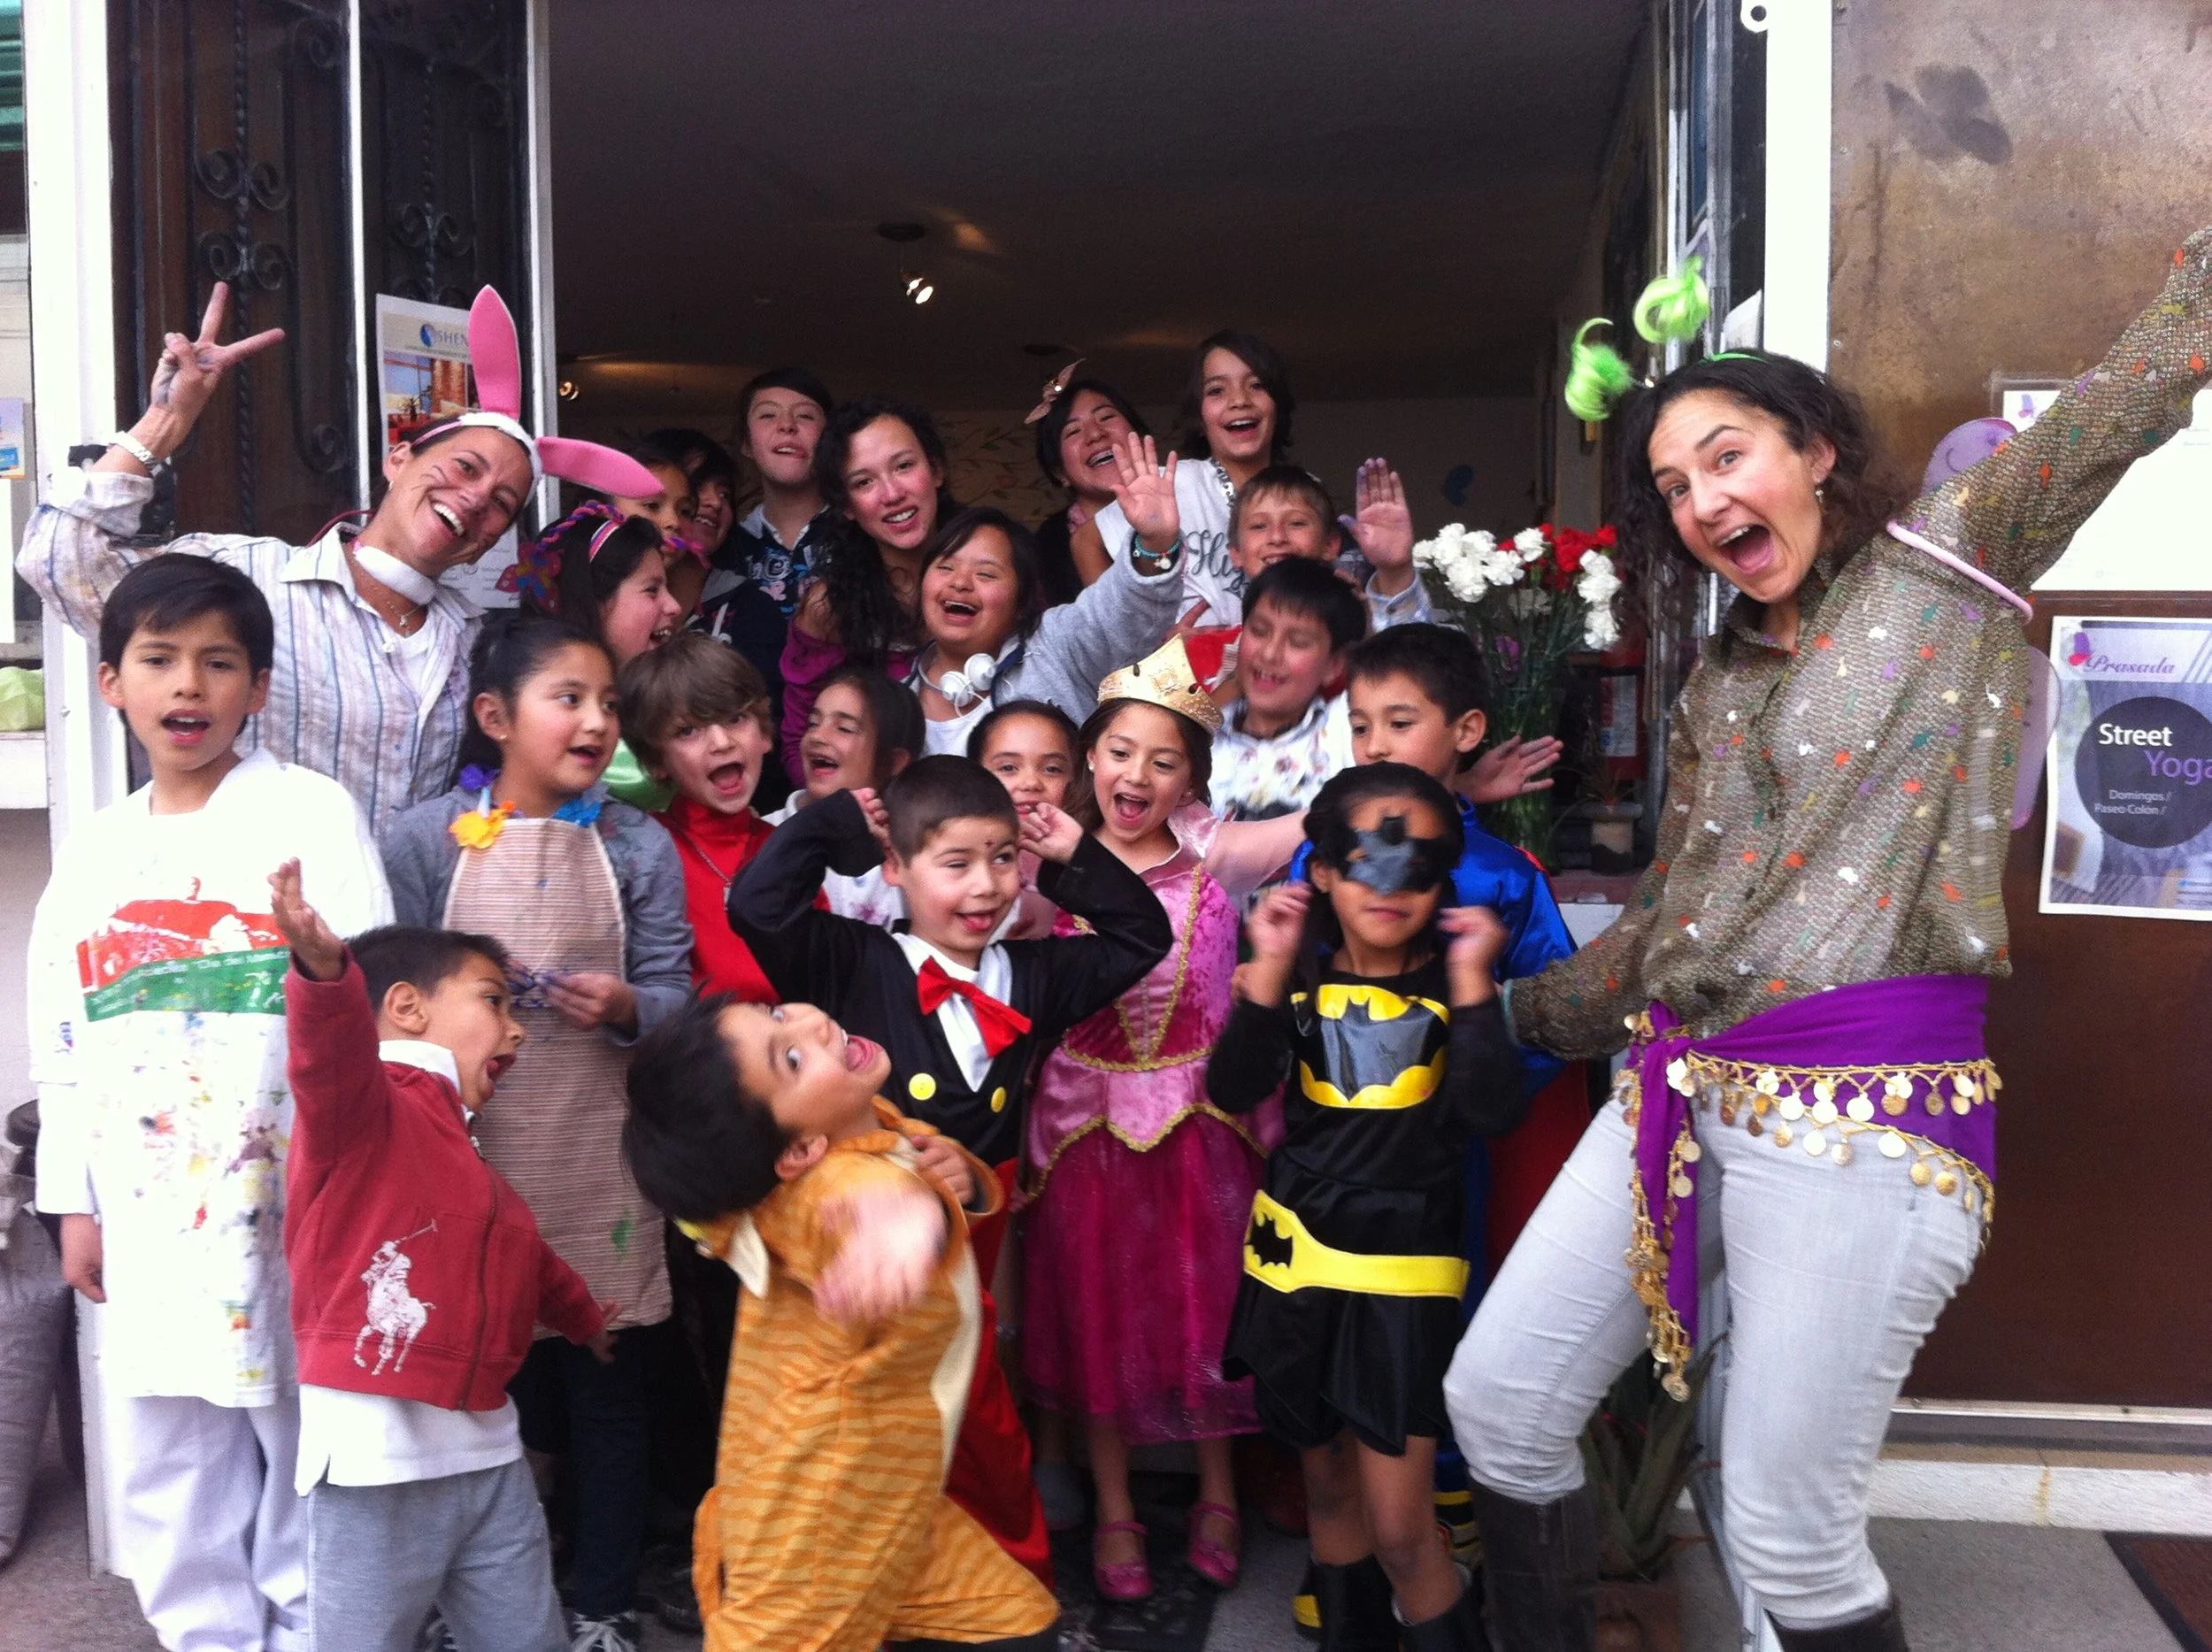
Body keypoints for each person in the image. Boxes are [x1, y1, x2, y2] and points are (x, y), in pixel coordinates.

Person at [1446, 228, 2212, 1652]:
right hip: (1680, 1087)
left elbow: (2124, 397)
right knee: (1498, 1400)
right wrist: (1510, 1017)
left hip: (1862, 1122)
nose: (1703, 501)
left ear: (1814, 452)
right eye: (1675, 486)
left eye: (1726, 457)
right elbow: (1669, 925)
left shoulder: (1950, 557)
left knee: (1789, 1533)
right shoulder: (1716, 686)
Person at [27, 555, 392, 1652]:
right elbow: (62, 1036)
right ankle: (207, 1635)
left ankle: (313, 1630)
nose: (188, 684)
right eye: (159, 659)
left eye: (218, 661)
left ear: (259, 686)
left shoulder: (309, 814)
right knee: (166, 1436)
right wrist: (72, 1200)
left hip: (290, 1186)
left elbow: (378, 1003)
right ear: (111, 684)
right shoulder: (97, 851)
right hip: (144, 1202)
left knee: (298, 1421)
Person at [727, 757, 1178, 1587]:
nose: (986, 884)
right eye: (956, 861)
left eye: (1004, 857)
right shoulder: (852, 960)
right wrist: (837, 825)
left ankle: (1001, 1581)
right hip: (863, 1253)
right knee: (871, 1417)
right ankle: (871, 1585)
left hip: (976, 1243)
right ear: (896, 867)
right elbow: (755, 905)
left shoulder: (1035, 974)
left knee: (975, 1406)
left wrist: (1074, 853)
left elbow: (1144, 937)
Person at [17, 283, 657, 835]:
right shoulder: (250, 578)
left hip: (408, 935)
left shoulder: (477, 645)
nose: (475, 500)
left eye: (502, 504)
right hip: (256, 926)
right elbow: (60, 560)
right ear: (399, 458)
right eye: (465, 467)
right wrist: (165, 420)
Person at [381, 617, 693, 1652]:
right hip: (467, 1162)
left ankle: (602, 1602)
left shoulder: (638, 845)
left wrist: (630, 1006)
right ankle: (473, 1603)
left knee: (607, 1388)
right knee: (476, 1396)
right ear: (494, 716)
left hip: (598, 1159)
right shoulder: (425, 840)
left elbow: (677, 992)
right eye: (570, 698)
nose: (598, 721)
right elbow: (389, 999)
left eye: (609, 704)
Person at [621, 995, 1061, 1652]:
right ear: (800, 1151)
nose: (812, 1024)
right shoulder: (817, 1192)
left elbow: (902, 1167)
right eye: (792, 1059)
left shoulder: (868, 1124)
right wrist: (893, 1214)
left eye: (777, 1015)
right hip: (816, 1527)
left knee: (1013, 1620)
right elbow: (850, 1201)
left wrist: (957, 1179)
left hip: (892, 1495)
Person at [1020, 637, 1311, 1601]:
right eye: (1118, 751)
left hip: (1202, 1128)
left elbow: (1323, 823)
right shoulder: (1046, 867)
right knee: (1096, 1313)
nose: (1135, 775)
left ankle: (1218, 1490)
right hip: (1085, 1130)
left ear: (1191, 776)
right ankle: (1115, 1504)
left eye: (1162, 759)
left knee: (1208, 1310)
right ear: (1089, 756)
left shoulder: (1212, 857)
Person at [1210, 765, 1524, 1652]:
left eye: (1416, 868)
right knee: (1328, 1491)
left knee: (1401, 1528)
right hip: (1296, 1260)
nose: (1390, 887)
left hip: (1402, 1278)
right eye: (1365, 863)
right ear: (1321, 871)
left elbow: (1495, 1109)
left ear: (1442, 880)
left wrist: (1473, 984)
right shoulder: (1296, 978)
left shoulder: (1452, 989)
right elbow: (1233, 1087)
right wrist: (1267, 974)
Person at [270, 874, 616, 1652]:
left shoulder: (468, 1159)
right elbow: (327, 1058)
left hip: (489, 1456)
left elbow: (524, 1252)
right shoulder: (365, 1107)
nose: (516, 1029)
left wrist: (585, 1319)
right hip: (374, 1464)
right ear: (406, 1007)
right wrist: (325, 974)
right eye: (494, 1000)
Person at [905, 463, 1183, 755]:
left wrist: (1156, 543)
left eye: (985, 574)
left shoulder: (1055, 646)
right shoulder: (895, 707)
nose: (960, 583)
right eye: (946, 567)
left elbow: (1121, 610)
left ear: (1022, 603)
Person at [780, 397, 955, 771]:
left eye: (904, 466)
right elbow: (800, 743)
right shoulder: (830, 609)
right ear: (846, 506)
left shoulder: (999, 576)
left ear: (936, 469)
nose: (892, 494)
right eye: (864, 482)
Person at [1091, 329, 1293, 629]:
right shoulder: (1171, 484)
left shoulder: (1303, 490)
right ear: (1199, 416)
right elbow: (1087, 542)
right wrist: (1133, 633)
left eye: (1257, 385)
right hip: (1180, 658)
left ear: (1277, 404)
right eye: (1217, 390)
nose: (1239, 400)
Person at [620, 634, 780, 1002]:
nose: (722, 742)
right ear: (656, 760)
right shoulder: (645, 851)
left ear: (764, 734)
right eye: (688, 730)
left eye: (736, 718)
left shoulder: (787, 848)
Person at [503, 502, 686, 811]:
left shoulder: (671, 697)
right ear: (592, 600)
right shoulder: (531, 719)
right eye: (652, 590)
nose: (674, 606)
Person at [657, 422, 795, 813]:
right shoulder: (612, 604)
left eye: (725, 493)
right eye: (699, 486)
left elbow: (770, 729)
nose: (715, 502)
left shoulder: (752, 609)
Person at [763, 665, 926, 927]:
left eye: (844, 728)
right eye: (813, 723)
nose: (817, 736)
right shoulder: (763, 834)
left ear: (895, 761)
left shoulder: (910, 850)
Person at [1210, 557, 1371, 821]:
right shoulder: (1198, 739)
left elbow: (1403, 684)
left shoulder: (1346, 733)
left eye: (1298, 642)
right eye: (1259, 631)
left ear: (1334, 665)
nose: (1270, 654)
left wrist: (1394, 573)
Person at [1026, 372, 1153, 601]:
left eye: (1106, 417)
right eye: (1073, 431)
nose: (1095, 434)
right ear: (1060, 473)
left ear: (1140, 436)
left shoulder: (1192, 496)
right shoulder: (1045, 550)